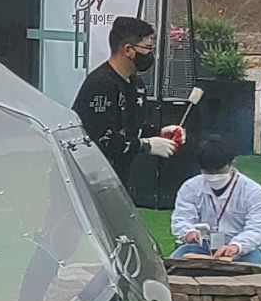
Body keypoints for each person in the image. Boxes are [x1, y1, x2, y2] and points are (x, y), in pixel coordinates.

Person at [72, 15, 182, 209]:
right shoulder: (101, 84)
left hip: (117, 176)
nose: (151, 54)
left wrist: (159, 132)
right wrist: (145, 145)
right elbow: (102, 139)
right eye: (147, 48)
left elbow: (132, 127)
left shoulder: (136, 84)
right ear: (128, 50)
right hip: (88, 177)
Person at [169, 136, 261, 267]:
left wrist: (236, 246)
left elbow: (257, 229)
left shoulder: (253, 192)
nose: (214, 176)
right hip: (203, 245)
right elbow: (181, 218)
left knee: (249, 269)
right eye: (208, 171)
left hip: (247, 249)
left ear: (232, 163)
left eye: (219, 171)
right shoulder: (190, 187)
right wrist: (188, 232)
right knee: (173, 264)